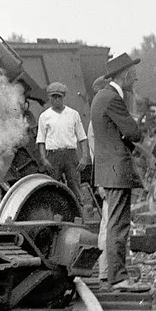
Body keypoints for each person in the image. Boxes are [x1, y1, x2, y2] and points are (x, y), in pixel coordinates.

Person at [90, 52, 146, 292]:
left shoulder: (102, 96)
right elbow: (134, 132)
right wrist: (132, 127)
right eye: (133, 76)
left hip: (107, 168)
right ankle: (118, 278)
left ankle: (113, 276)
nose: (135, 80)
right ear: (124, 76)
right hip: (117, 169)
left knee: (114, 222)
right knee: (118, 224)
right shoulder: (113, 99)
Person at [35, 82, 93, 215]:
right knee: (52, 187)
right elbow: (41, 140)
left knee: (75, 186)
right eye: (53, 97)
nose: (56, 100)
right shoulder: (44, 116)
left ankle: (78, 216)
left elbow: (82, 137)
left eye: (59, 97)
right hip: (53, 156)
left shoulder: (73, 114)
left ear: (63, 97)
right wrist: (43, 158)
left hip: (70, 154)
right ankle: (54, 216)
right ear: (49, 98)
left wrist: (84, 157)